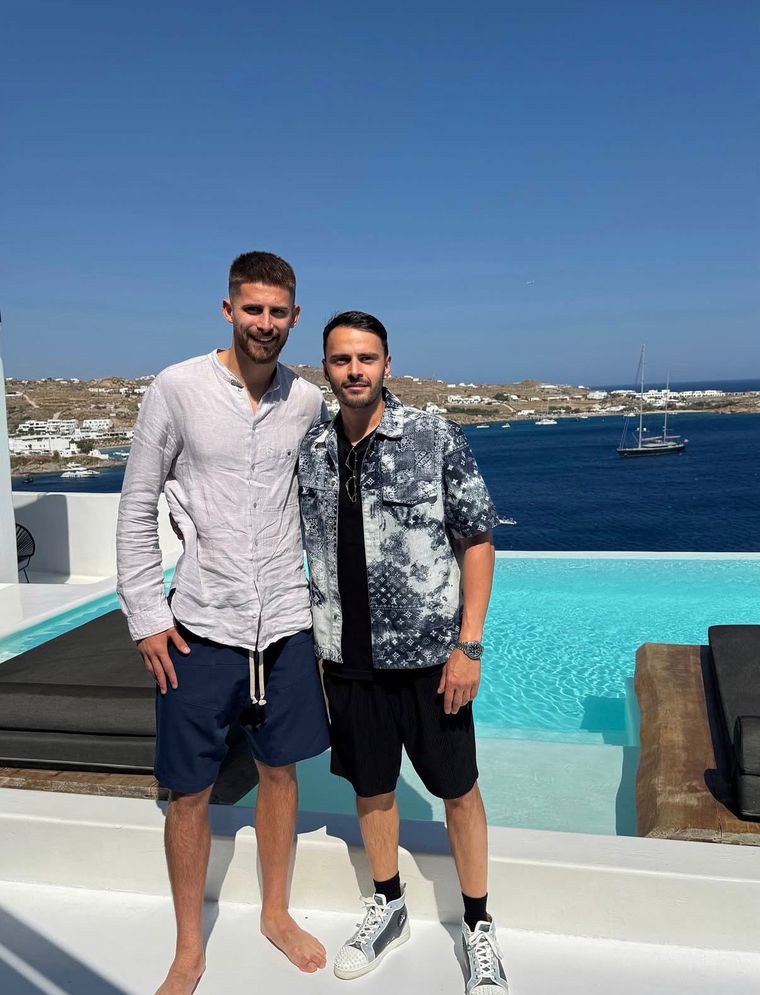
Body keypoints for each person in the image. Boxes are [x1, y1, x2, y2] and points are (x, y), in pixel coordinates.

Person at [116, 251, 330, 995]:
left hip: (285, 625)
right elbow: (137, 501)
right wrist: (146, 615)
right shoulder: (176, 388)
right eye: (253, 308)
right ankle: (186, 946)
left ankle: (275, 910)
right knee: (188, 790)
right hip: (200, 625)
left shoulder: (305, 401)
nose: (265, 323)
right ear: (228, 309)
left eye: (278, 312)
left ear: (294, 317)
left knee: (280, 772)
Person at [298, 311, 510, 993]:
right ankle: (388, 903)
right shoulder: (312, 449)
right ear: (325, 368)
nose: (354, 370)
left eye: (366, 358)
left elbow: (476, 539)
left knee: (458, 789)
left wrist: (468, 644)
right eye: (340, 359)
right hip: (346, 659)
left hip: (428, 658)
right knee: (371, 787)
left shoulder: (434, 436)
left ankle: (478, 924)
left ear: (387, 363)